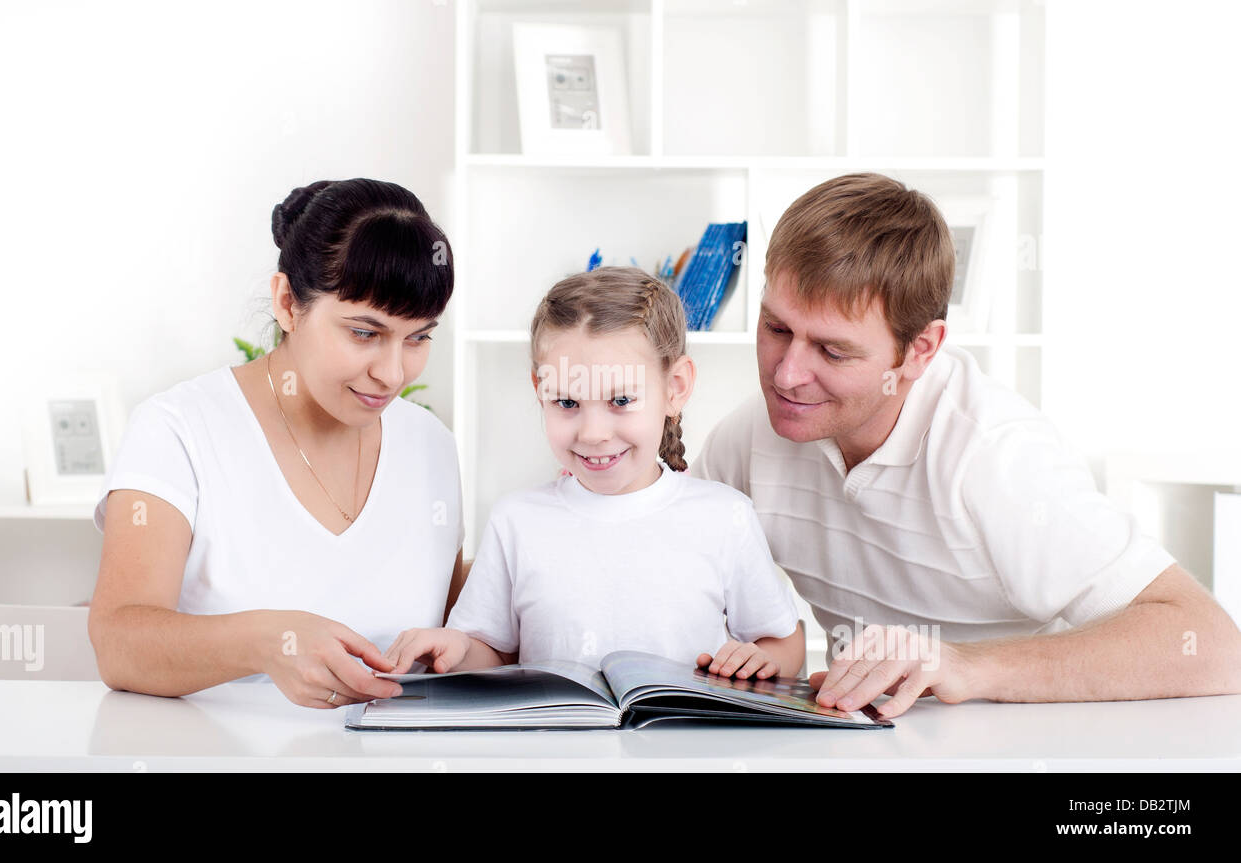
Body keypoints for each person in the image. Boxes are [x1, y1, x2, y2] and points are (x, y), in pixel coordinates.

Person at [692, 172, 1241, 718]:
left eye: (833, 352)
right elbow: (669, 554)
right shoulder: (755, 435)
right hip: (870, 742)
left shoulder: (995, 453)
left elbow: (1213, 646)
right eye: (776, 328)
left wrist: (966, 667)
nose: (786, 376)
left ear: (920, 350)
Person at [89, 178, 465, 709]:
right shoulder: (178, 429)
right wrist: (266, 643)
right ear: (288, 303)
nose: (392, 372)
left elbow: (460, 636)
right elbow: (119, 643)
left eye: (419, 337)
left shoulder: (430, 445)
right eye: (364, 332)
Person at [384, 266, 804, 678]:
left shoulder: (724, 516)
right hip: (557, 745)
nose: (593, 433)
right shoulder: (517, 520)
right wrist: (456, 649)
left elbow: (782, 641)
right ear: (540, 390)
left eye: (620, 400)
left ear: (675, 388)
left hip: (683, 746)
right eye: (567, 404)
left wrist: (766, 663)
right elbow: (494, 652)